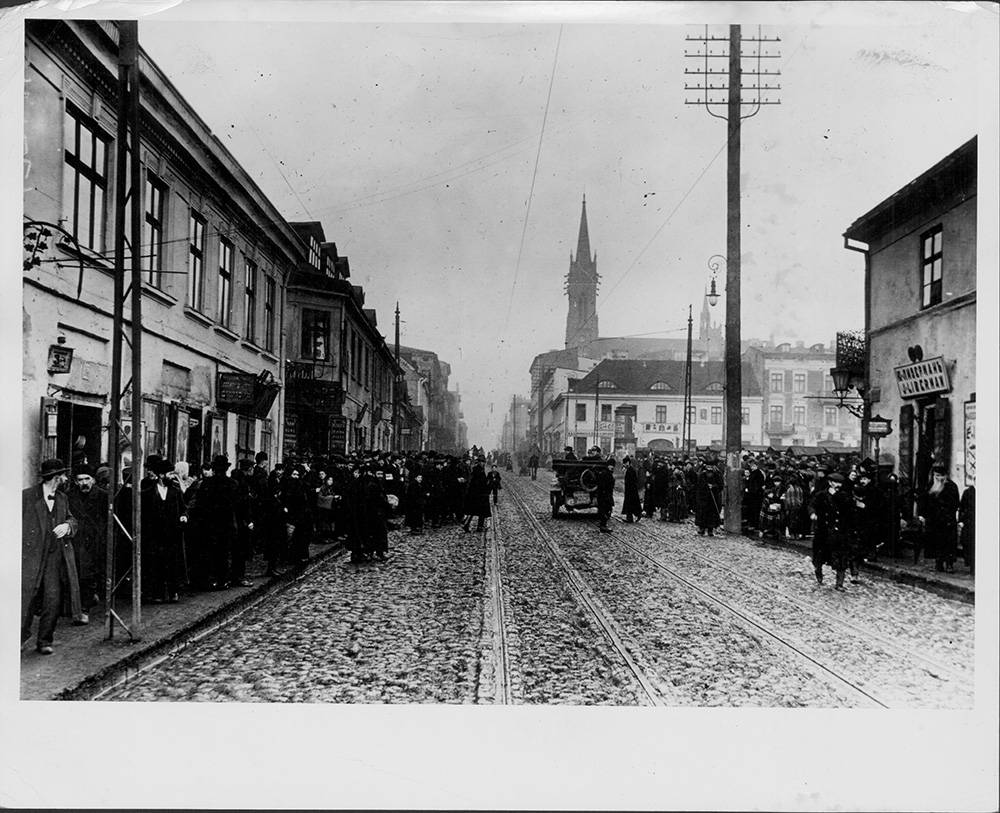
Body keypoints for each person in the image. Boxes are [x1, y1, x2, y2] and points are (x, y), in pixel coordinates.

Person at [22, 458, 78, 654]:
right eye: (62, 475)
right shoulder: (27, 497)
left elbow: (72, 519)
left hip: (54, 557)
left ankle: (45, 640)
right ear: (54, 478)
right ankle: (19, 637)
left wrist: (68, 526)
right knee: (26, 598)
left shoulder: (62, 498)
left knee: (52, 599)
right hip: (31, 556)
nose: (64, 479)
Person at [141, 455, 187, 603]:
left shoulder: (175, 491)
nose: (172, 477)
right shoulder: (148, 492)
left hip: (172, 534)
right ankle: (158, 593)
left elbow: (183, 508)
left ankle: (173, 592)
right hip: (155, 534)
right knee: (156, 563)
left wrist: (184, 516)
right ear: (161, 475)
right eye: (169, 474)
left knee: (172, 563)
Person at [67, 463, 107, 613]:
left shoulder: (103, 496)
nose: (84, 483)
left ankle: (89, 601)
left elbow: (107, 519)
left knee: (93, 572)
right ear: (76, 482)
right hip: (78, 538)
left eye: (87, 479)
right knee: (80, 571)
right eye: (80, 480)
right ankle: (84, 602)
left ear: (93, 480)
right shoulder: (70, 496)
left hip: (96, 539)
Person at [810, 472, 856, 589]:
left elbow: (849, 507)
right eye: (835, 482)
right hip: (824, 531)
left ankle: (839, 584)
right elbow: (812, 505)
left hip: (839, 531)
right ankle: (819, 573)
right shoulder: (821, 495)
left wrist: (836, 495)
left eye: (840, 483)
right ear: (830, 483)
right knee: (819, 556)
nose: (838, 485)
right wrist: (813, 513)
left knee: (841, 559)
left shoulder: (844, 495)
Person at [918, 464, 960, 573]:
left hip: (947, 520)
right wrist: (922, 514)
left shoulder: (952, 487)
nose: (936, 478)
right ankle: (938, 563)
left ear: (944, 476)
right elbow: (924, 501)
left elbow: (955, 504)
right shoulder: (931, 486)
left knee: (948, 543)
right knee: (936, 543)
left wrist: (946, 513)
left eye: (939, 476)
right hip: (934, 520)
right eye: (935, 476)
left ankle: (949, 564)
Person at [694, 459, 723, 536]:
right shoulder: (702, 475)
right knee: (702, 513)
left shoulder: (717, 474)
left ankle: (710, 529)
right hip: (703, 498)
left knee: (712, 515)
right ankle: (702, 528)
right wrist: (705, 487)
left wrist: (713, 486)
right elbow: (698, 485)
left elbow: (721, 486)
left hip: (713, 499)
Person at [462, 458, 492, 532]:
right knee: (479, 511)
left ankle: (471, 525)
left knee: (474, 511)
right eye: (482, 462)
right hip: (478, 494)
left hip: (477, 494)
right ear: (479, 462)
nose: (483, 463)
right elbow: (479, 482)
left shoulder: (478, 470)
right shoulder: (478, 471)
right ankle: (478, 526)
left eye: (483, 462)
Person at [593, 451, 615, 533]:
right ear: (608, 465)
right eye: (611, 465)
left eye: (613, 466)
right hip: (604, 495)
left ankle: (603, 525)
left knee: (604, 510)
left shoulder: (605, 473)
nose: (612, 467)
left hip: (605, 494)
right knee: (605, 510)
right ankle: (603, 526)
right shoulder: (606, 474)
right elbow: (603, 485)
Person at [958, 483, 974, 576]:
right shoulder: (968, 492)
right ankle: (971, 566)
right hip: (969, 522)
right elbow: (962, 507)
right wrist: (961, 520)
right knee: (967, 544)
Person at [621, 456, 642, 523]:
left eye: (624, 463)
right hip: (630, 490)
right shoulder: (629, 469)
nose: (623, 465)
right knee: (630, 504)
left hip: (631, 490)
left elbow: (633, 480)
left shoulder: (631, 470)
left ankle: (637, 515)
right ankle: (630, 517)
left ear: (628, 463)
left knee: (631, 504)